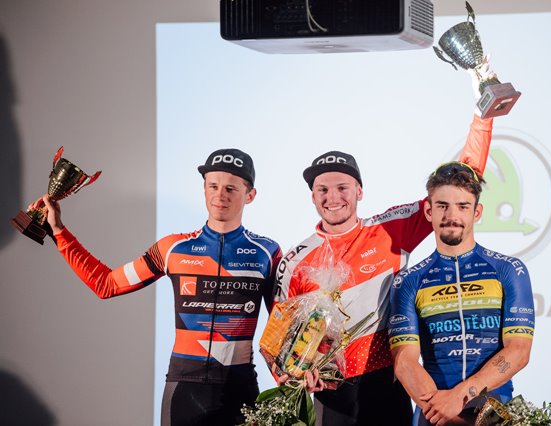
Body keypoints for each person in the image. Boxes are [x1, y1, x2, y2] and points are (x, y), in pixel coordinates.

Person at [271, 74, 494, 423]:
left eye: (342, 187)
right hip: (332, 393)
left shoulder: (391, 228)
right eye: (322, 190)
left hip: (388, 384)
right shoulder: (295, 260)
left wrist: (484, 117)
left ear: (359, 191)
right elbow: (276, 342)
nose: (333, 198)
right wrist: (293, 375)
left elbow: (461, 181)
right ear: (312, 196)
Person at [31, 148, 282, 426]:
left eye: (231, 188)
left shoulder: (267, 252)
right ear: (203, 189)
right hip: (185, 389)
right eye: (213, 186)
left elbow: (283, 326)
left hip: (241, 389)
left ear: (250, 195)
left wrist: (291, 374)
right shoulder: (173, 248)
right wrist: (59, 231)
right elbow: (106, 284)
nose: (220, 195)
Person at [388, 161, 535, 426]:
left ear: (477, 212)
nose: (451, 215)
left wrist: (460, 397)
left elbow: (519, 350)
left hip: (493, 412)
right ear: (428, 211)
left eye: (463, 206)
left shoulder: (509, 270)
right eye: (442, 206)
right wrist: (445, 412)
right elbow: (404, 362)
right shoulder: (408, 281)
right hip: (433, 411)